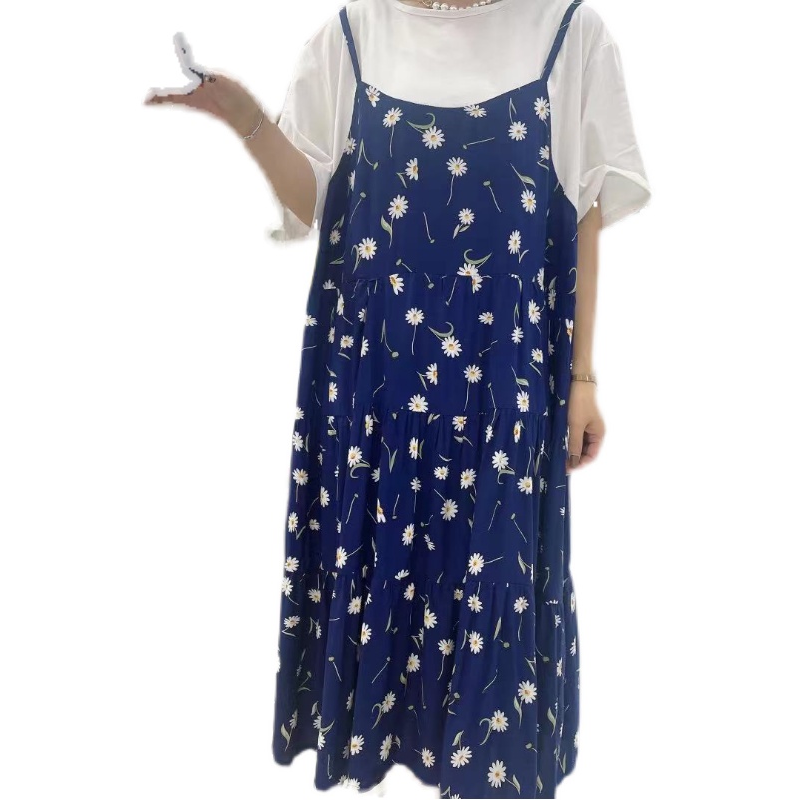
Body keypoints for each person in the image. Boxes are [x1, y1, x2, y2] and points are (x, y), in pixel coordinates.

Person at [144, 0, 651, 796]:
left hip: (502, 393)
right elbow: (312, 200)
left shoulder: (566, 33)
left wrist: (583, 377)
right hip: (375, 393)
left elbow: (585, 212)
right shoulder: (352, 34)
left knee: (494, 585)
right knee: (387, 584)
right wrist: (245, 118)